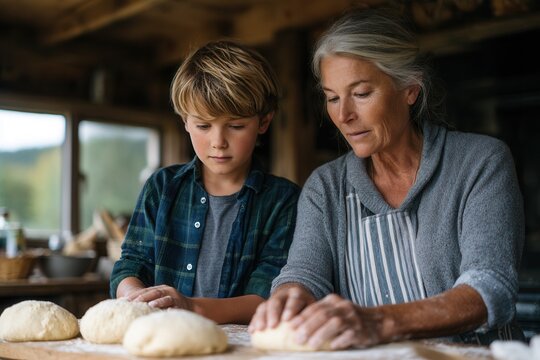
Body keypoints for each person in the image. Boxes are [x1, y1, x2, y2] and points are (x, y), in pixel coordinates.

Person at [248, 7, 525, 349]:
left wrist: (378, 320)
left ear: (409, 89)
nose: (344, 115)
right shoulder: (325, 187)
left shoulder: (480, 162)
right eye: (332, 98)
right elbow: (305, 274)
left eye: (361, 93)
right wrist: (287, 299)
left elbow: (489, 286)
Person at [110, 40, 300, 324]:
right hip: (162, 335)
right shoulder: (161, 188)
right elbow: (131, 265)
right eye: (203, 126)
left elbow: (267, 295)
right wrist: (138, 300)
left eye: (236, 126)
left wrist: (190, 307)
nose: (218, 142)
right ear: (185, 120)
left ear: (264, 122)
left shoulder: (283, 200)